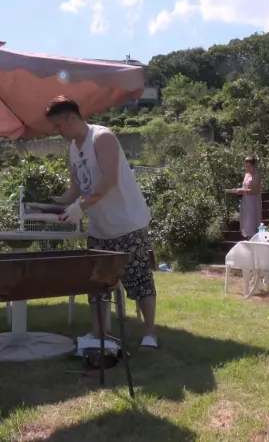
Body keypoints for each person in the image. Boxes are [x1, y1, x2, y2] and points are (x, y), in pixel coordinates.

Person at [46, 96, 159, 348]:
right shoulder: (73, 148)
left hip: (127, 223)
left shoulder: (102, 138)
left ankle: (150, 333)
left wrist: (81, 207)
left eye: (58, 125)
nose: (56, 131)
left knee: (139, 280)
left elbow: (109, 180)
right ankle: (100, 334)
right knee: (97, 284)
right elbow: (75, 188)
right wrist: (50, 204)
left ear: (70, 118)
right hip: (99, 228)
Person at [230, 156, 262, 238]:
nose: (247, 168)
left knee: (252, 220)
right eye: (246, 166)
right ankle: (248, 237)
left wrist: (241, 190)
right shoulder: (246, 175)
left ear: (253, 165)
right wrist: (237, 191)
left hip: (253, 201)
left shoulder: (256, 175)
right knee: (245, 220)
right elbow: (245, 188)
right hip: (245, 200)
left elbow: (254, 190)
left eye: (249, 166)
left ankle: (253, 237)